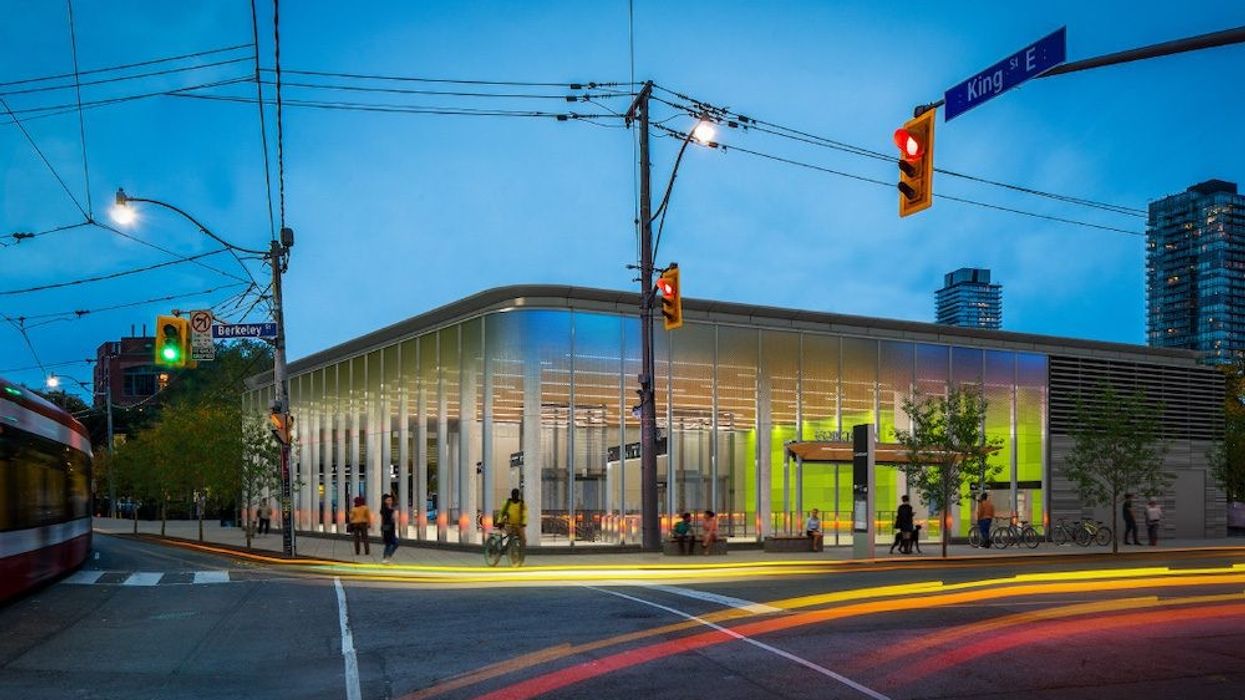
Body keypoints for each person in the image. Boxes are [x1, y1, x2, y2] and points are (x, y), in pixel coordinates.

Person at [380, 494, 398, 563]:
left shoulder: (386, 509)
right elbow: (392, 519)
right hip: (388, 528)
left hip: (388, 527)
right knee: (395, 543)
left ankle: (385, 559)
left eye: (391, 500)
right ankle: (387, 557)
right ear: (385, 501)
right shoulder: (387, 510)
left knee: (388, 544)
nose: (390, 501)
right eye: (388, 500)